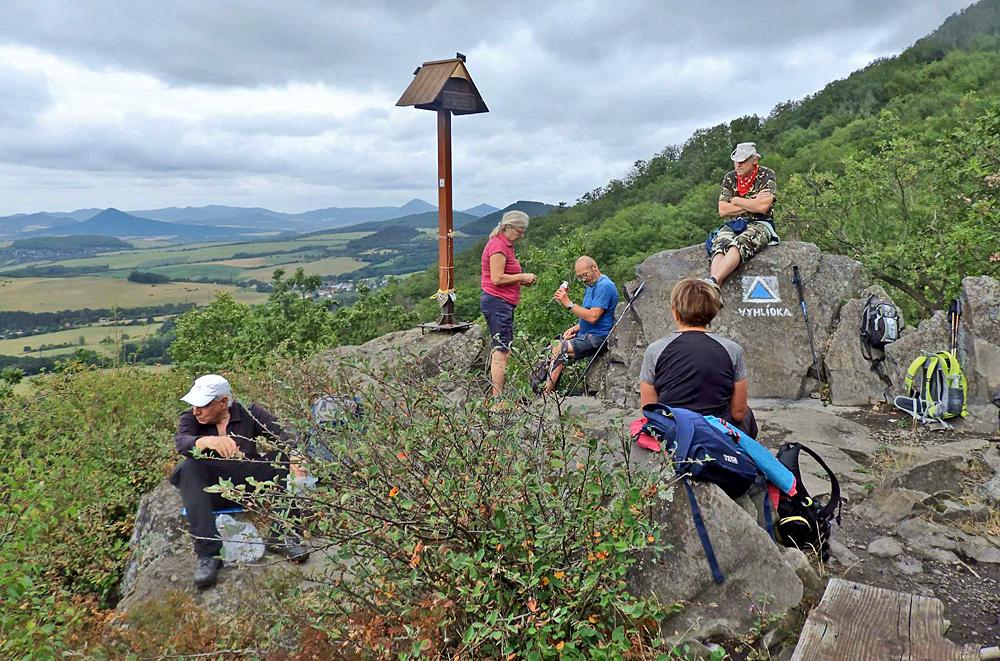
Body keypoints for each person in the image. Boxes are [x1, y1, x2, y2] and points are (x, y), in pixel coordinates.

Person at [171, 374, 309, 588]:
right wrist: (207, 441)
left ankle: (284, 534)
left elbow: (285, 432)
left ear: (223, 402)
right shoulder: (191, 419)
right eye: (194, 405)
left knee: (283, 457)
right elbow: (182, 442)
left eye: (203, 405)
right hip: (212, 491)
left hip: (249, 485)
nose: (196, 411)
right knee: (188, 467)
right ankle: (208, 554)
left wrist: (296, 454)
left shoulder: (249, 413)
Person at [639, 278, 758, 437]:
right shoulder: (732, 350)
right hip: (717, 433)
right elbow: (738, 413)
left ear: (675, 311)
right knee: (747, 413)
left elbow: (649, 410)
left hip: (675, 432)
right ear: (713, 311)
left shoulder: (655, 350)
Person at [480, 210, 537, 396]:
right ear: (509, 227)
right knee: (501, 350)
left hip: (501, 302)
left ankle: (497, 396)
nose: (522, 234)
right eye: (520, 230)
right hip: (498, 302)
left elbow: (504, 276)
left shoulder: (505, 245)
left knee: (502, 347)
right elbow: (496, 278)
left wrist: (520, 281)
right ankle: (498, 400)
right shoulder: (498, 246)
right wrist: (522, 276)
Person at [543, 256, 619, 393]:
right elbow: (587, 315)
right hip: (586, 333)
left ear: (594, 268)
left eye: (585, 275)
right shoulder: (590, 286)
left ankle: (547, 393)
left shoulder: (604, 286)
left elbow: (594, 316)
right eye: (580, 277)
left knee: (560, 348)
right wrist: (574, 328)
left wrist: (569, 304)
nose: (584, 279)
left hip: (598, 337)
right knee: (551, 346)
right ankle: (541, 388)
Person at [708, 142, 779, 286]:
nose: (738, 165)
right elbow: (723, 210)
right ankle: (713, 284)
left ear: (754, 160)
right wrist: (752, 201)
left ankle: (714, 281)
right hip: (735, 223)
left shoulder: (767, 175)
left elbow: (762, 208)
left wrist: (735, 201)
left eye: (742, 161)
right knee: (721, 242)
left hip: (761, 223)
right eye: (736, 161)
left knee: (740, 243)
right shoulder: (730, 178)